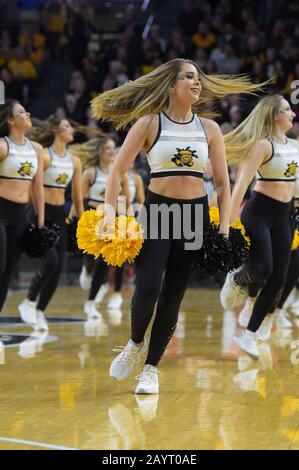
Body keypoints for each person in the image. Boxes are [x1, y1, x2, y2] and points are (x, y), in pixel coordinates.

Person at [91, 58, 264, 394]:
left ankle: (151, 368)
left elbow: (224, 185)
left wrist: (225, 228)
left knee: (173, 297)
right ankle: (135, 342)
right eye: (188, 77)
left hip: (194, 216)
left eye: (198, 78)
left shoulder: (210, 129)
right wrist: (110, 213)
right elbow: (117, 172)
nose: (196, 83)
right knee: (148, 288)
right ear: (172, 85)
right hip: (157, 212)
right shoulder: (149, 123)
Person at [220, 95, 299, 359]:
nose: (293, 114)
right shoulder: (262, 146)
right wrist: (228, 226)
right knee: (263, 269)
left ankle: (249, 335)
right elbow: (241, 185)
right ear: (275, 116)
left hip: (285, 216)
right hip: (259, 213)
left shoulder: (296, 146)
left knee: (278, 279)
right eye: (288, 110)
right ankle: (235, 278)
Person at [18, 116, 84, 331]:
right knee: (52, 261)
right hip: (41, 213)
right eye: (66, 126)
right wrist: (34, 217)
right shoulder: (45, 156)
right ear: (56, 131)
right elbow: (32, 188)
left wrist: (83, 224)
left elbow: (77, 198)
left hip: (59, 217)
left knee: (57, 270)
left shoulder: (74, 161)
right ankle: (28, 301)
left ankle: (39, 311)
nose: (71, 128)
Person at [73, 137, 130, 319]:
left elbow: (127, 200)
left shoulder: (123, 173)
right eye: (107, 148)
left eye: (113, 148)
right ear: (100, 152)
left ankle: (90, 303)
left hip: (114, 218)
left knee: (104, 264)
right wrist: (81, 220)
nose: (111, 152)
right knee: (91, 258)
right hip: (94, 217)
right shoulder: (90, 173)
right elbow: (80, 198)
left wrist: (127, 224)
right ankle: (86, 268)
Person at [0, 100, 44, 313]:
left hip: (21, 215)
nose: (27, 114)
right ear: (10, 120)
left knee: (7, 273)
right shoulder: (2, 145)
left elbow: (38, 188)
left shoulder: (36, 148)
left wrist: (41, 220)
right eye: (21, 112)